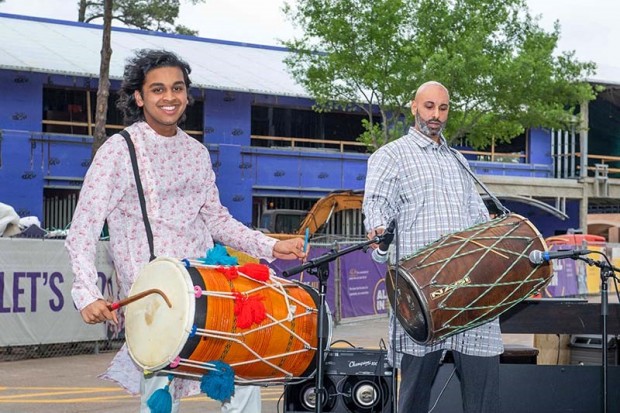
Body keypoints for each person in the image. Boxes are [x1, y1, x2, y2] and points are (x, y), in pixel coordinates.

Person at [65, 49, 307, 413]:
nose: (169, 98)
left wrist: (272, 245)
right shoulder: (119, 151)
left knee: (239, 374)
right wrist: (86, 292)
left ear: (186, 94)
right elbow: (82, 229)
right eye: (158, 89)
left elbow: (217, 219)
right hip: (155, 294)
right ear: (139, 96)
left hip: (207, 284)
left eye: (177, 88)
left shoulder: (196, 152)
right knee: (159, 398)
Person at [362, 81, 502, 412]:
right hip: (422, 295)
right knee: (413, 400)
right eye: (429, 107)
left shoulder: (460, 161)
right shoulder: (390, 156)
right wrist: (380, 234)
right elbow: (377, 209)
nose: (436, 115)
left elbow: (479, 223)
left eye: (443, 108)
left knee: (484, 399)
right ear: (414, 107)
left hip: (471, 296)